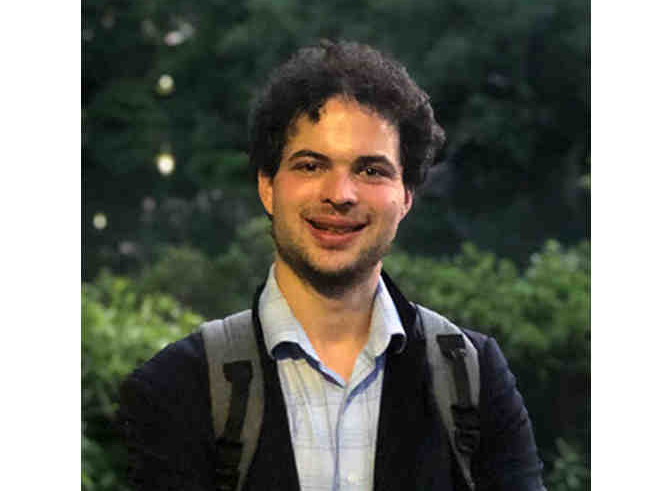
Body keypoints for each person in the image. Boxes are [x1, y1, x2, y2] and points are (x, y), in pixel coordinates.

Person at [118, 40, 546, 490]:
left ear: (406, 196)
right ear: (267, 187)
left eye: (371, 170)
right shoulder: (177, 387)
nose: (340, 194)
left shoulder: (473, 379)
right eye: (310, 166)